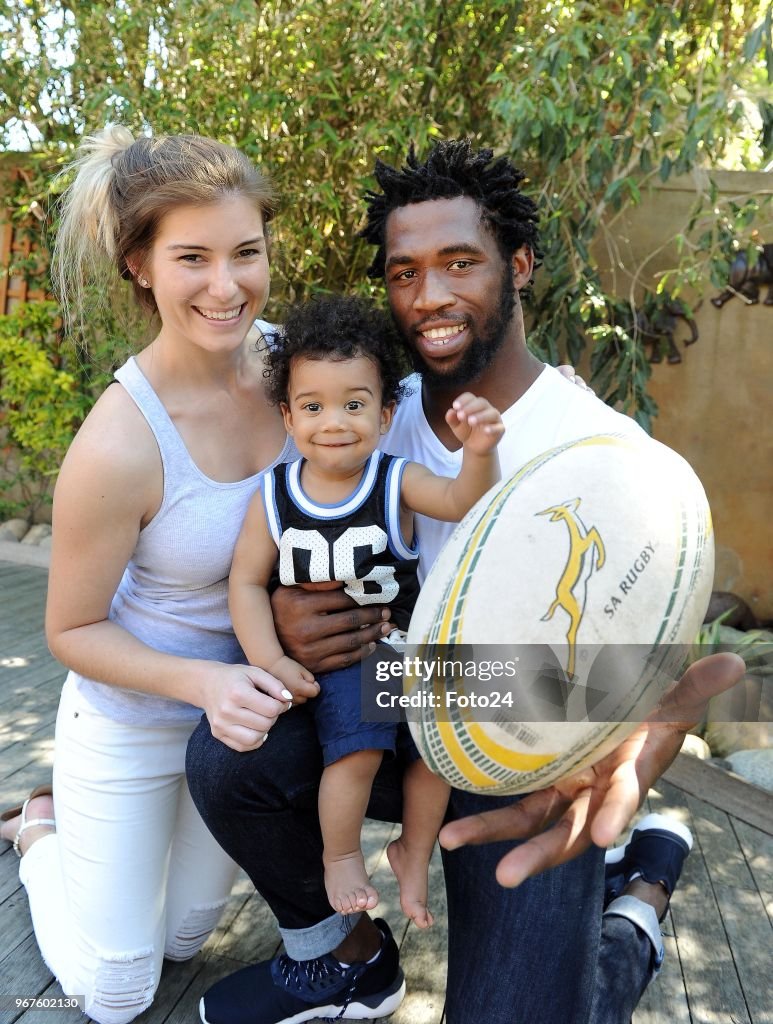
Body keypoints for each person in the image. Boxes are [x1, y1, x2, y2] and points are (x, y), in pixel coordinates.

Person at [187, 139, 746, 1024]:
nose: (430, 296)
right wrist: (296, 614)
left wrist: (634, 742)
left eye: (460, 263)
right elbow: (284, 526)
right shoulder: (371, 415)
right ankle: (352, 957)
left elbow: (649, 659)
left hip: (520, 747)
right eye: (404, 272)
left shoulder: (604, 460)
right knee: (229, 757)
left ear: (518, 265)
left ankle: (637, 901)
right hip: (387, 703)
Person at [0, 125, 298, 1024]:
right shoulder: (120, 439)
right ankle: (39, 832)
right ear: (140, 264)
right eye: (193, 258)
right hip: (131, 717)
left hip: (235, 736)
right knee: (117, 990)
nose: (226, 285)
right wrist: (206, 679)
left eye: (247, 253)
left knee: (186, 939)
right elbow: (70, 630)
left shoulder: (302, 368)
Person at [230, 293, 504, 926]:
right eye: (314, 405)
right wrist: (268, 659)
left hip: (406, 648)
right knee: (357, 748)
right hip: (344, 665)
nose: (335, 421)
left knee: (443, 742)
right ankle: (341, 854)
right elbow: (244, 584)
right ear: (288, 416)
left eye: (354, 405)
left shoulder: (394, 479)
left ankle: (414, 846)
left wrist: (479, 450)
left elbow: (465, 500)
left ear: (384, 415)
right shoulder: (273, 495)